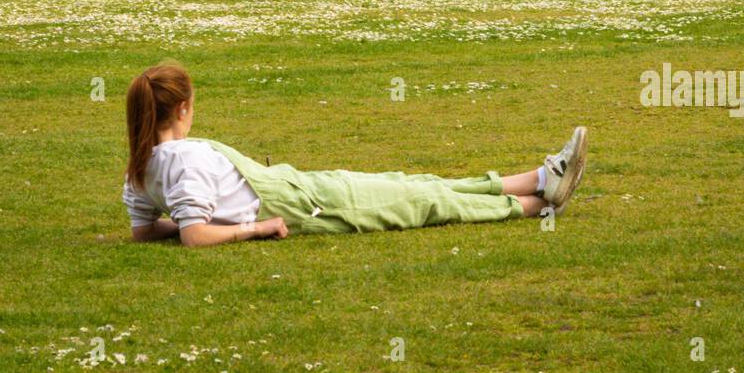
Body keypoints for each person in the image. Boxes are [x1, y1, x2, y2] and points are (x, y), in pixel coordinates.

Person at [122, 63, 589, 246]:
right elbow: (194, 237)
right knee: (418, 203)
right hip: (309, 204)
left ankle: (537, 180)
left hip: (304, 186)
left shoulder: (140, 169)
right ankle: (536, 203)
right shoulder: (187, 160)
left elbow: (148, 231)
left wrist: (191, 221)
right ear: (183, 107)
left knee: (413, 185)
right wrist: (254, 228)